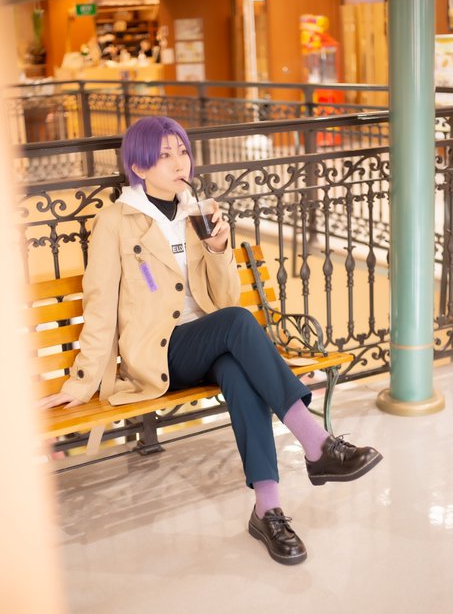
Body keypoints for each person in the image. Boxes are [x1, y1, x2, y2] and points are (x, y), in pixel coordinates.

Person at [40, 116, 383, 565]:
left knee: (239, 372)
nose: (179, 162)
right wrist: (81, 381)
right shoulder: (117, 221)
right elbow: (101, 304)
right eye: (164, 155)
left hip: (213, 341)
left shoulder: (194, 212)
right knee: (238, 323)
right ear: (139, 167)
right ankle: (316, 444)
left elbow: (223, 301)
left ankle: (268, 510)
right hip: (161, 353)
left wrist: (219, 249)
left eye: (182, 151)